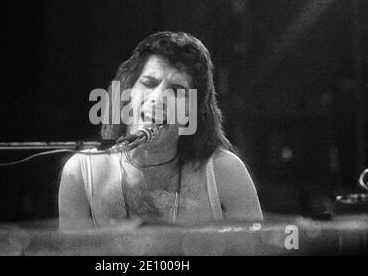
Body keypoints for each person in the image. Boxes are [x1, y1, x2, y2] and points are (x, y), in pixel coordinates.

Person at [59, 31, 262, 230]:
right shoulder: (80, 172)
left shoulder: (225, 172)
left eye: (176, 90)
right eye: (149, 83)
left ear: (193, 110)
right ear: (127, 93)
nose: (158, 97)